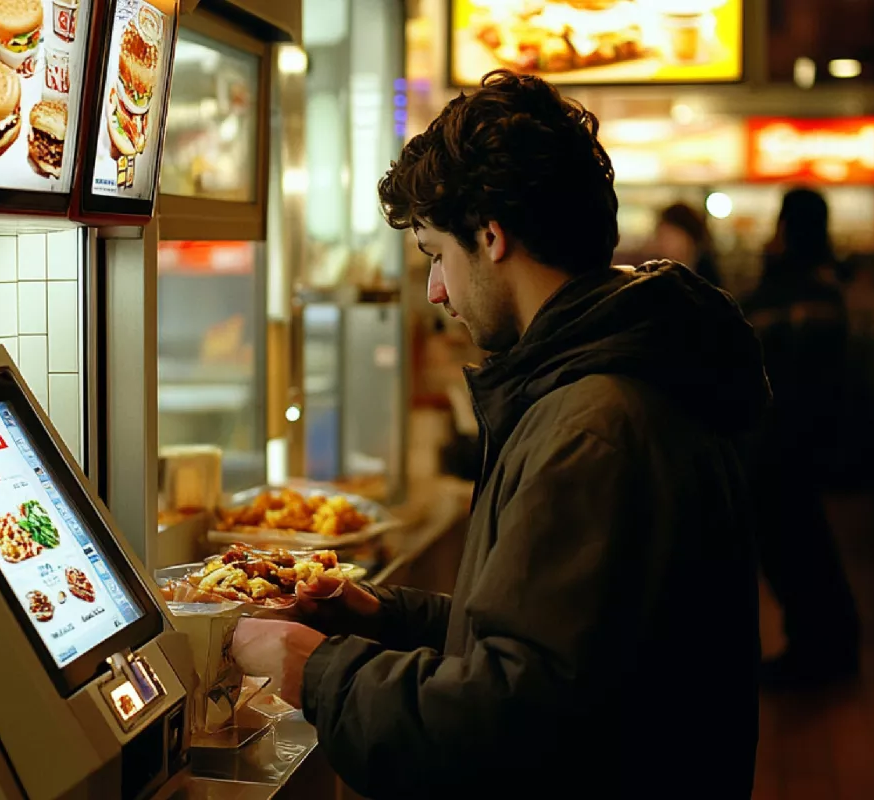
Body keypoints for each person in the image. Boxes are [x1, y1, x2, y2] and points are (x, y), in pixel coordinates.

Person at [230, 69, 768, 798]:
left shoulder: (596, 424)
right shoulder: (611, 378)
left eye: (434, 255)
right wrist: (383, 614)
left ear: (490, 235)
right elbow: (560, 645)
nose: (436, 291)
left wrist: (313, 667)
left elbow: (507, 722)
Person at [743, 188, 861, 689]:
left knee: (793, 548)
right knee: (805, 544)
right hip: (810, 440)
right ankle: (825, 646)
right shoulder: (827, 289)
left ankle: (817, 650)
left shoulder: (782, 290)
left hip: (775, 441)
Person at [654, 201, 723, 287]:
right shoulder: (659, 275)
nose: (660, 244)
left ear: (687, 238)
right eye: (660, 236)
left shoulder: (706, 278)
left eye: (667, 237)